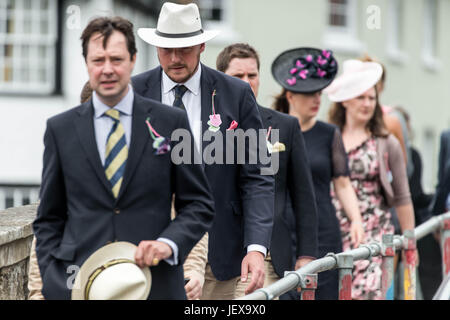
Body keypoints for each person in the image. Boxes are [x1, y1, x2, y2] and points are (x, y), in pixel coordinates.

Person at [32, 16, 215, 300]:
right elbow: (48, 219)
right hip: (83, 288)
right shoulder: (60, 129)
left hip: (157, 286)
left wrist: (169, 244)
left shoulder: (171, 122)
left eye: (116, 59)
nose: (107, 69)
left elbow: (199, 204)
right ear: (86, 63)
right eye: (98, 60)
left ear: (133, 59)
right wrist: (56, 284)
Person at [132, 3, 274, 299]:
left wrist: (257, 248)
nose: (174, 58)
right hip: (148, 253)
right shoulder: (132, 93)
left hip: (222, 257)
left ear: (201, 45)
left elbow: (257, 176)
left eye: (183, 48)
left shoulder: (236, 94)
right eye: (166, 49)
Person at [215, 43, 319, 299]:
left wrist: (306, 255)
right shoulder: (208, 126)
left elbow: (304, 197)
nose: (246, 82)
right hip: (217, 255)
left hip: (270, 256)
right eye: (238, 76)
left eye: (252, 75)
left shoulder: (286, 126)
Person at [271, 47, 364, 300]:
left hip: (323, 231)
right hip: (280, 231)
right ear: (290, 95)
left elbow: (343, 183)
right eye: (309, 94)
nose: (316, 100)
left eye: (319, 94)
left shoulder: (329, 134)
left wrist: (356, 219)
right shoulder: (271, 131)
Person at [325, 59, 416, 300]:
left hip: (372, 237)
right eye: (360, 97)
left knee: (369, 293)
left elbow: (403, 196)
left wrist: (409, 242)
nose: (367, 104)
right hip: (333, 235)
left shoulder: (386, 142)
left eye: (371, 98)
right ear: (345, 100)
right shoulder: (327, 137)